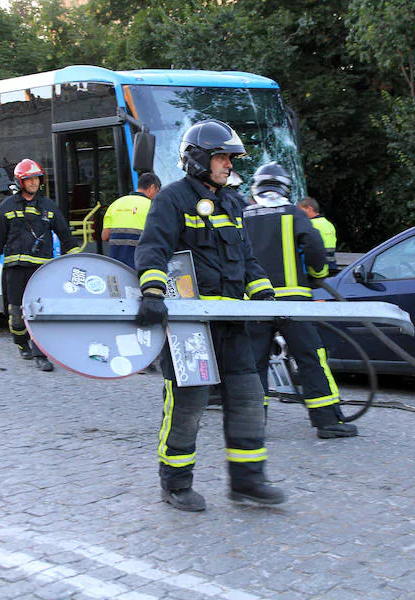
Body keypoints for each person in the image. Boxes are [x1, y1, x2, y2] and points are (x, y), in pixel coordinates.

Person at [135, 119, 285, 512]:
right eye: (222, 156)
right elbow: (153, 250)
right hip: (189, 326)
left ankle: (248, 482)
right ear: (198, 158)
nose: (228, 164)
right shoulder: (171, 200)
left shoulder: (233, 203)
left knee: (249, 399)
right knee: (188, 403)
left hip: (231, 322)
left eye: (230, 158)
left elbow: (247, 260)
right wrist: (152, 292)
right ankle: (176, 483)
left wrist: (267, 297)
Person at [243, 163, 358, 439]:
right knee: (310, 358)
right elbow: (315, 247)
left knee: (253, 363)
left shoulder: (243, 216)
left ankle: (251, 425)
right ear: (285, 187)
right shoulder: (293, 213)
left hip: (253, 302)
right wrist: (317, 274)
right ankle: (328, 421)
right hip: (293, 301)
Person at [0, 159, 78, 372]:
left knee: (40, 311)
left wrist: (73, 262)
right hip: (15, 269)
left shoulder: (49, 206)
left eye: (36, 178)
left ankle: (40, 353)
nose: (34, 183)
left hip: (41, 271)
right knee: (17, 313)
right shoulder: (7, 207)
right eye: (29, 179)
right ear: (20, 182)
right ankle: (21, 343)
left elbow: (66, 236)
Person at [101, 172, 162, 269]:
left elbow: (105, 236)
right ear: (152, 188)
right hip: (141, 264)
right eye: (157, 192)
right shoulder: (153, 206)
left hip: (117, 266)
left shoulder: (115, 204)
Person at [298, 196, 338, 273]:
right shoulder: (328, 223)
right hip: (331, 266)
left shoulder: (309, 225)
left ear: (309, 208)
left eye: (300, 210)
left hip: (316, 270)